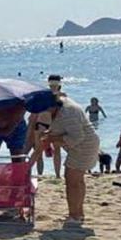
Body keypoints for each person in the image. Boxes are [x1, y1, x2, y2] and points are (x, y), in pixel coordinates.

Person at [26, 90, 100, 224]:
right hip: (79, 145)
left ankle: (74, 216)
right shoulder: (58, 107)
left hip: (84, 146)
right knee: (77, 180)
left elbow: (77, 137)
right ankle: (78, 213)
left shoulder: (68, 112)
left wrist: (53, 137)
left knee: (72, 182)